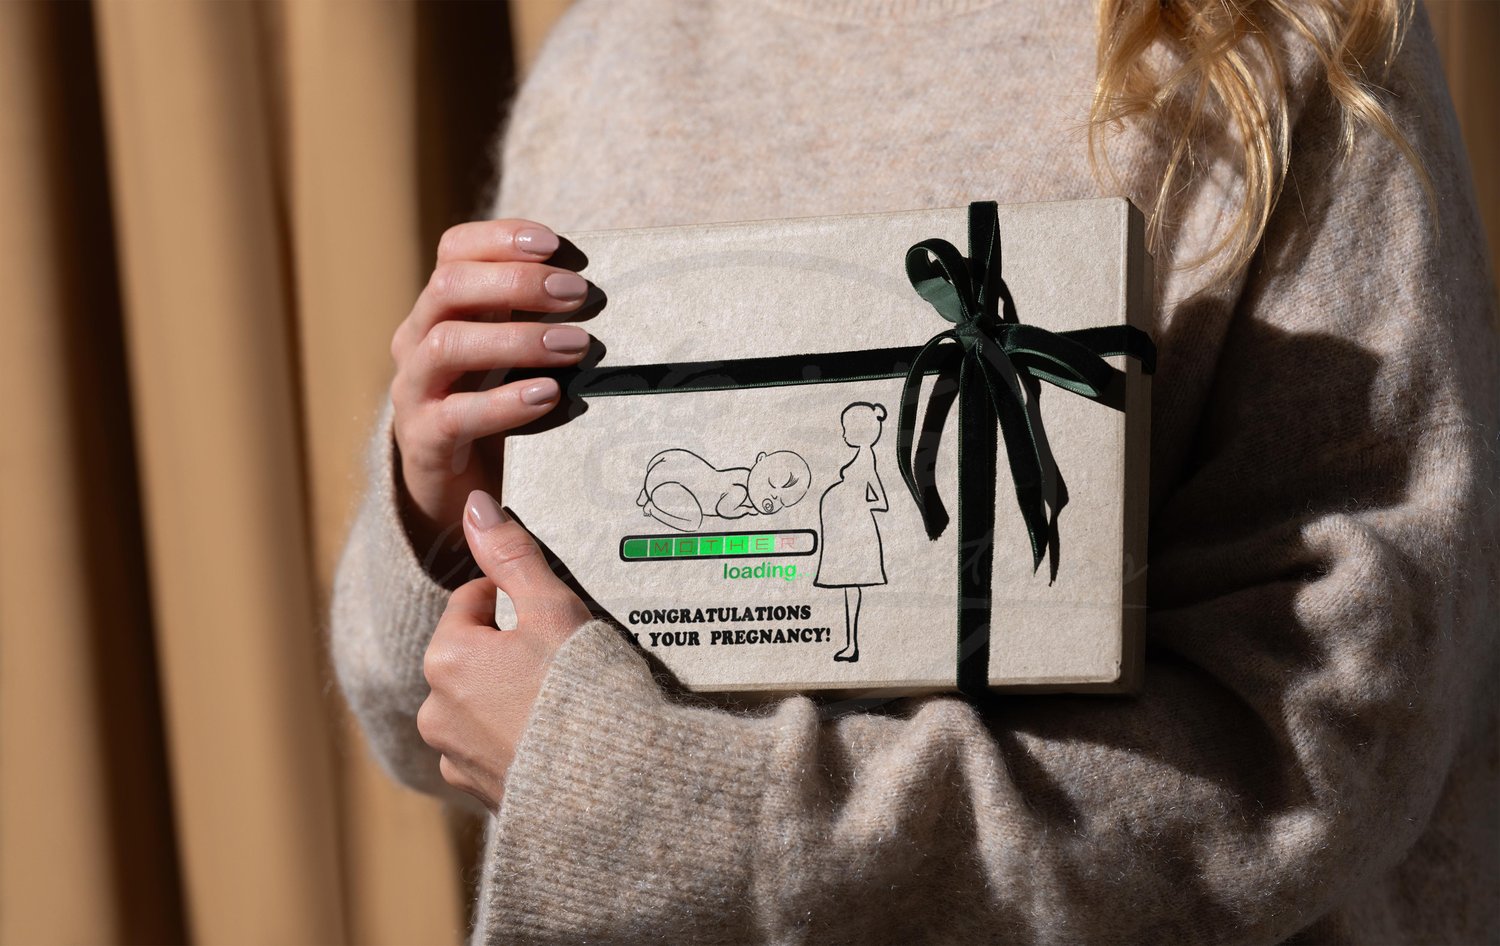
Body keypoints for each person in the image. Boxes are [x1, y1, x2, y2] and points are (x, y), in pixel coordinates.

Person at [329, 1, 1499, 943]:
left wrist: (646, 798)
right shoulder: (616, 45)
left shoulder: (1273, 37)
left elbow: (1323, 743)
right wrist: (443, 513)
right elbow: (426, 728)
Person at [813, 402, 890, 663]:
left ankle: (852, 645)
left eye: (847, 428)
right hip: (847, 529)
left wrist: (854, 505)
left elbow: (881, 501)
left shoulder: (866, 457)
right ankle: (850, 644)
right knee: (849, 589)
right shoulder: (863, 456)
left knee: (852, 587)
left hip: (854, 532)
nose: (844, 434)